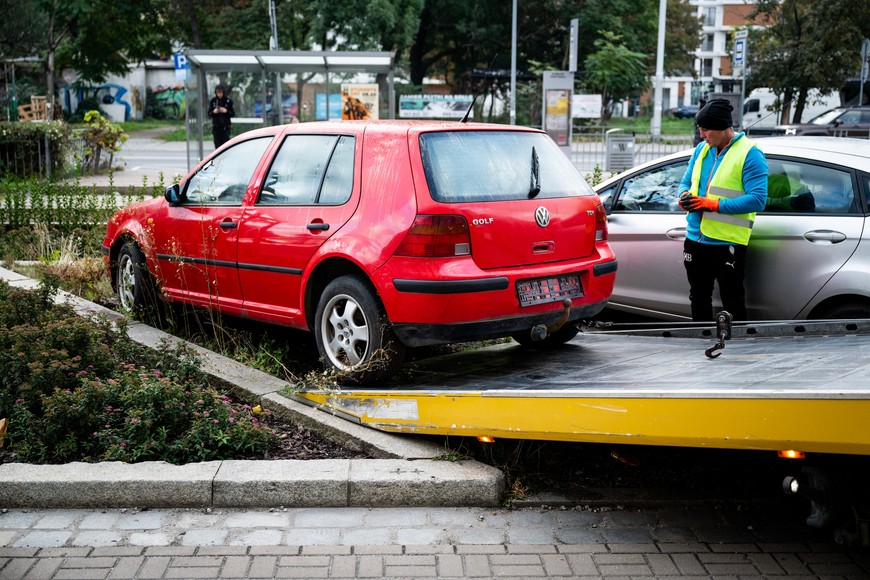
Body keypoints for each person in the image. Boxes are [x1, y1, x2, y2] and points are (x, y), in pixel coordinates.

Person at [677, 98, 768, 322]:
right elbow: (686, 182)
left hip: (727, 243)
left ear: (722, 128)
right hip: (695, 239)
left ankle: (737, 352)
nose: (702, 135)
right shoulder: (701, 149)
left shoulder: (750, 153)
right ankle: (700, 344)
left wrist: (714, 205)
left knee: (732, 300)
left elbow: (757, 200)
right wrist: (684, 196)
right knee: (698, 297)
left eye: (706, 130)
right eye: (700, 129)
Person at [207, 84, 235, 149]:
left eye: (221, 93)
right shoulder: (213, 101)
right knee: (217, 146)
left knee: (226, 146)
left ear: (223, 92)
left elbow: (232, 113)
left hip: (225, 127)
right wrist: (214, 112)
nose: (219, 94)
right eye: (218, 93)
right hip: (216, 127)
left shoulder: (228, 101)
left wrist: (226, 111)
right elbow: (209, 113)